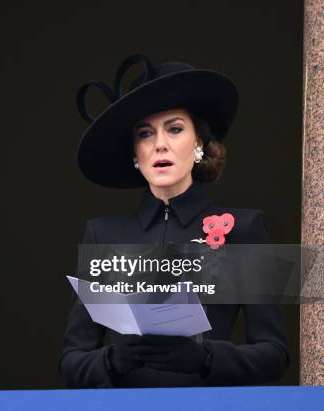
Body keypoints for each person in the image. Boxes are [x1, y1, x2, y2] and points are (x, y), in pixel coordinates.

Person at [60, 54, 289, 387]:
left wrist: (206, 358)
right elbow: (71, 363)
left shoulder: (243, 229)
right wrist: (112, 360)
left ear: (198, 143)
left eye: (175, 129)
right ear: (135, 154)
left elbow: (274, 354)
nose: (160, 145)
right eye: (145, 134)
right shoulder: (102, 234)